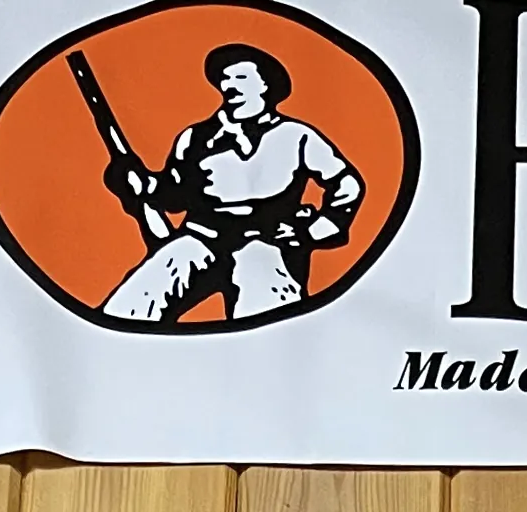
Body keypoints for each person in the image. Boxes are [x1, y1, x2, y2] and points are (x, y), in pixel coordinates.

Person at [98, 42, 363, 326]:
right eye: (224, 79)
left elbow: (346, 184)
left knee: (271, 324)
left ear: (265, 86)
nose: (229, 86)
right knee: (128, 310)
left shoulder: (296, 135)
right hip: (200, 238)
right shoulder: (195, 138)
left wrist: (313, 230)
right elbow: (174, 195)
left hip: (264, 243)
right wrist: (145, 186)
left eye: (241, 78)